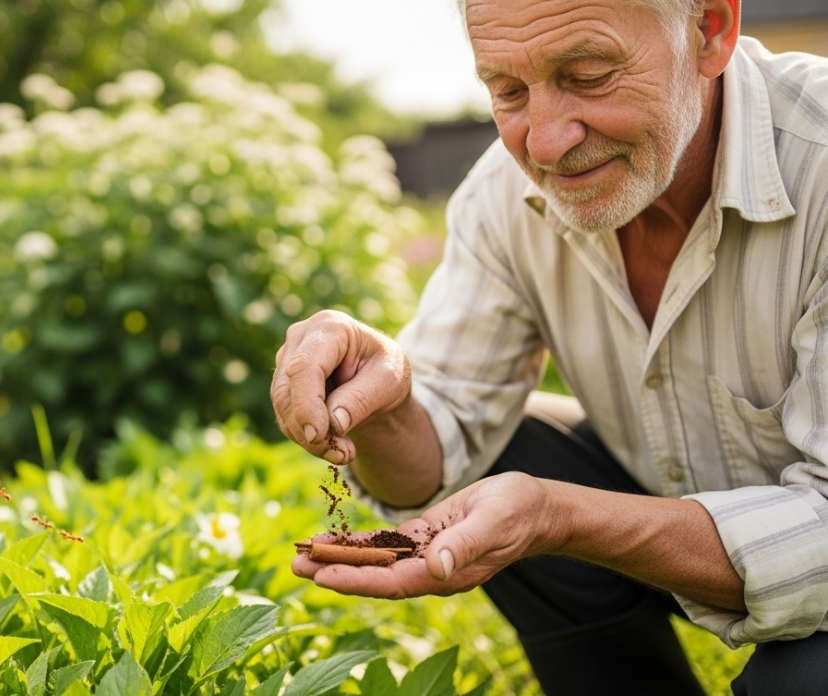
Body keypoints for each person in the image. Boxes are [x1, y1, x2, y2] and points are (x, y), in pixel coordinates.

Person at [271, 0, 828, 693]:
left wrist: (559, 517)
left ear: (709, 29)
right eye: (507, 91)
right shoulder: (501, 198)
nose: (544, 145)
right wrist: (383, 404)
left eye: (589, 76)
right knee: (509, 448)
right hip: (685, 517)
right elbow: (435, 450)